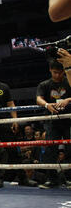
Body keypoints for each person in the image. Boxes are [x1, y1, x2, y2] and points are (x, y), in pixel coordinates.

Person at [0, 63, 37, 188]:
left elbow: (11, 104)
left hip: (4, 121)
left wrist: (15, 120)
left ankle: (22, 178)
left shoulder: (3, 87)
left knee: (13, 150)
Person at [36, 60, 71, 189]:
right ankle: (52, 179)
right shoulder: (44, 85)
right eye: (55, 72)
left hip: (69, 120)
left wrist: (68, 99)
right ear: (50, 70)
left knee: (70, 149)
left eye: (60, 72)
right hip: (52, 121)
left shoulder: (69, 81)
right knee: (50, 149)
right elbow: (38, 98)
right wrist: (46, 104)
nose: (57, 75)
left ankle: (69, 178)